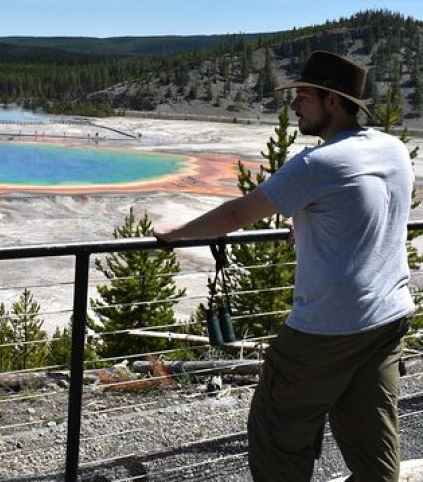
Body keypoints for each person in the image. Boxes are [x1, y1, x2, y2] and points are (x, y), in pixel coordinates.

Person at [155, 51, 415, 482]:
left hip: (329, 326)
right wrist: (309, 221)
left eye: (302, 96)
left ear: (332, 101)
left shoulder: (317, 163)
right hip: (389, 316)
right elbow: (362, 211)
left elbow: (236, 215)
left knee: (277, 429)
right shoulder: (392, 150)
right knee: (372, 436)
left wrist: (176, 233)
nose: (293, 105)